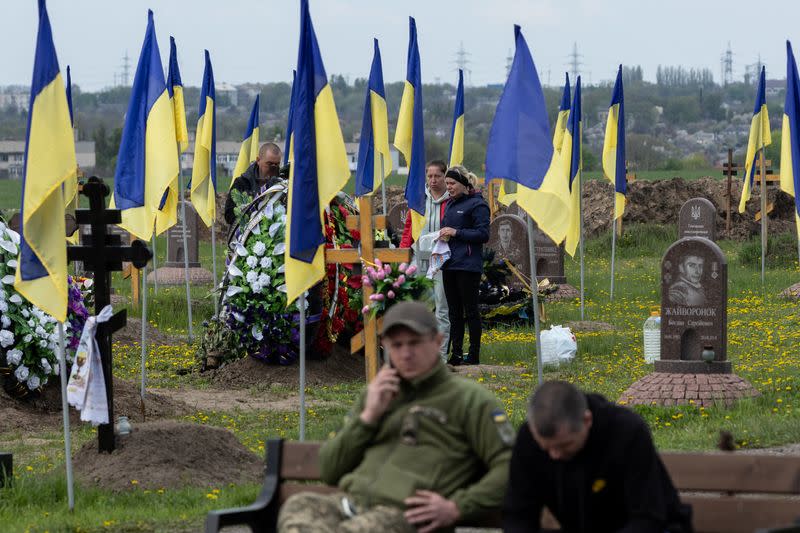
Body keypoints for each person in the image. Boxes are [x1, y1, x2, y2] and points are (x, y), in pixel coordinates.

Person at [277, 301, 513, 533]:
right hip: (352, 505)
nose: (406, 353)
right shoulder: (378, 393)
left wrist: (457, 507)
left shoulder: (470, 400)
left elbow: (509, 465)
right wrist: (368, 417)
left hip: (404, 515)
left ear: (438, 341)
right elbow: (329, 469)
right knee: (299, 506)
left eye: (415, 343)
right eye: (397, 345)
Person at [504, 381, 693, 533]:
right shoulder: (529, 440)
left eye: (564, 445)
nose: (554, 455)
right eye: (546, 448)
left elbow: (648, 518)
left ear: (587, 420)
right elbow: (518, 514)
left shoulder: (627, 431)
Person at [400, 159, 451, 360]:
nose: (433, 180)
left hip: (441, 257)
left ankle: (441, 355)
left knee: (441, 305)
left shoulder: (451, 200)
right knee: (416, 303)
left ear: (445, 177)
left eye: (437, 176)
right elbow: (409, 228)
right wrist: (404, 252)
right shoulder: (419, 198)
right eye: (429, 176)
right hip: (419, 255)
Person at [439, 165, 490, 366]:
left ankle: (474, 354)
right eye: (447, 184)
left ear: (463, 183)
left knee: (470, 311)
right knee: (453, 312)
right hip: (449, 264)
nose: (448, 187)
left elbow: (483, 234)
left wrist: (456, 232)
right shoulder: (450, 204)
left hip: (468, 266)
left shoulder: (478, 205)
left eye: (452, 183)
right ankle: (457, 354)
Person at [223, 142, 284, 225]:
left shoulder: (283, 183)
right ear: (258, 160)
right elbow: (229, 216)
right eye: (269, 164)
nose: (273, 167)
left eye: (277, 164)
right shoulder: (242, 183)